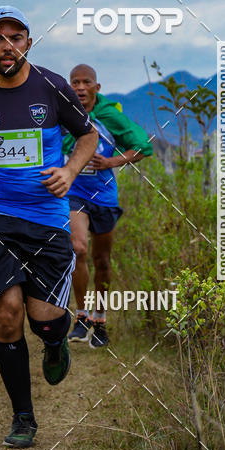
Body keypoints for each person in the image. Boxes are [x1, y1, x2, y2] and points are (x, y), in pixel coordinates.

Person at [0, 6, 98, 448]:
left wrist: (69, 171)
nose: (6, 45)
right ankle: (22, 418)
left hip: (46, 218)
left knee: (43, 320)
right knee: (7, 316)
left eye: (16, 37)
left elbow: (87, 136)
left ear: (28, 42)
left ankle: (54, 341)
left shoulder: (51, 87)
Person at [64, 64, 153, 348]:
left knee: (102, 261)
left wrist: (112, 162)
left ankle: (100, 320)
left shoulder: (108, 116)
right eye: (74, 82)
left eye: (85, 82)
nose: (79, 87)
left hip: (103, 195)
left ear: (96, 88)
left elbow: (143, 146)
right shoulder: (63, 113)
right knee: (78, 249)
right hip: (73, 192)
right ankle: (80, 316)